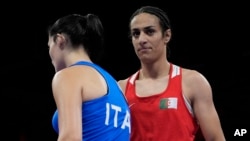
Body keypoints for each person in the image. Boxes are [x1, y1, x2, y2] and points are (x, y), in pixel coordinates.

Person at [118, 6, 226, 141]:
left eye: (150, 31)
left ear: (167, 35)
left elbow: (216, 138)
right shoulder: (120, 89)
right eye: (136, 34)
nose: (141, 40)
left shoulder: (192, 82)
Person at [47, 13, 131, 141]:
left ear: (60, 40)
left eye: (49, 46)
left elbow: (70, 138)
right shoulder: (114, 85)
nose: (50, 53)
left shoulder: (68, 75)